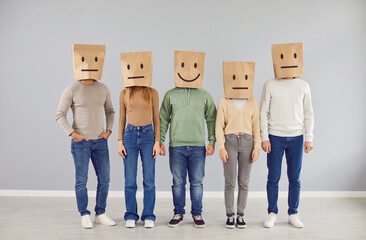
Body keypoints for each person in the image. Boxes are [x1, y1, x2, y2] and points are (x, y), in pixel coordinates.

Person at [56, 44, 116, 229]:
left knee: (104, 179)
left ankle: (101, 212)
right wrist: (73, 134)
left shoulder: (104, 88)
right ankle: (84, 214)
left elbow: (110, 111)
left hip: (100, 142)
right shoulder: (72, 89)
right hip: (81, 143)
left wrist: (109, 131)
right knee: (81, 180)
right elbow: (60, 114)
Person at [160, 51, 216, 228]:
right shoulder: (170, 94)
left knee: (197, 182)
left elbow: (212, 118)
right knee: (178, 182)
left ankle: (197, 213)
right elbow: (163, 119)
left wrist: (212, 141)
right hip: (176, 145)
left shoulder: (205, 95)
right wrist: (160, 140)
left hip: (198, 145)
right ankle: (178, 213)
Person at [261, 43, 314, 228]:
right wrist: (264, 137)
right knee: (273, 177)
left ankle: (293, 213)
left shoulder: (303, 86)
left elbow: (309, 113)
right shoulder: (270, 85)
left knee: (295, 178)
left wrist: (309, 138)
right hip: (274, 137)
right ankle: (272, 212)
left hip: (297, 137)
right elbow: (263, 113)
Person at [117, 51, 160, 228]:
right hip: (129, 135)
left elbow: (157, 118)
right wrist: (119, 140)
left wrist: (157, 141)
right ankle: (131, 215)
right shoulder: (124, 93)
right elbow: (121, 118)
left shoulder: (152, 92)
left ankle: (148, 215)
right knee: (130, 179)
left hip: (149, 136)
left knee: (149, 179)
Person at [215, 62, 260, 229]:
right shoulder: (225, 101)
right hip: (230, 142)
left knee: (244, 181)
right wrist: (221, 147)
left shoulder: (252, 101)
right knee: (229, 181)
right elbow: (219, 125)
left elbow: (256, 125)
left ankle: (240, 215)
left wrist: (256, 146)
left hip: (248, 142)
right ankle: (229, 215)